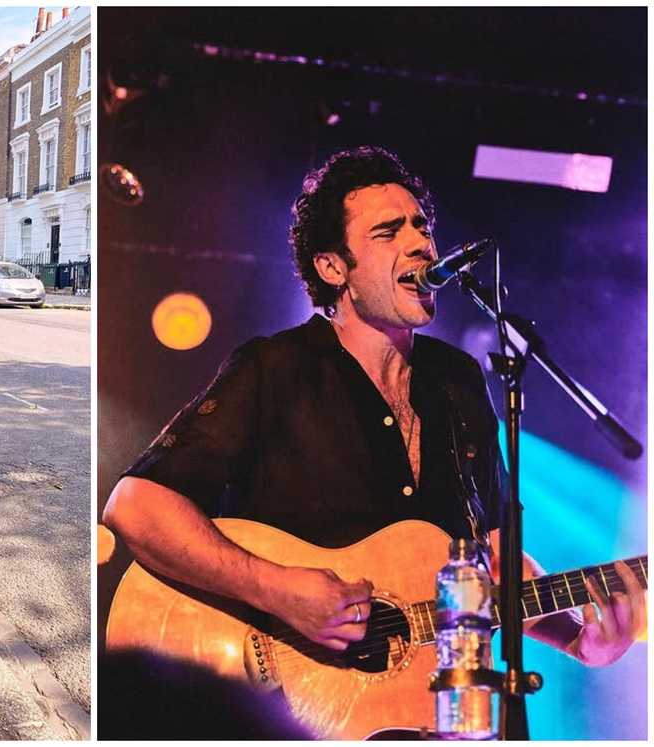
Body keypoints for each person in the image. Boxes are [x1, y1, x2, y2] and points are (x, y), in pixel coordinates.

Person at [102, 146, 645, 723]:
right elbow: (135, 505)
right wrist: (279, 590)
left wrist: (578, 640)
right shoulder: (276, 368)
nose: (420, 243)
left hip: (445, 712)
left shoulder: (457, 381)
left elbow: (492, 556)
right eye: (389, 232)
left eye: (422, 226)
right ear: (333, 268)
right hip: (288, 714)